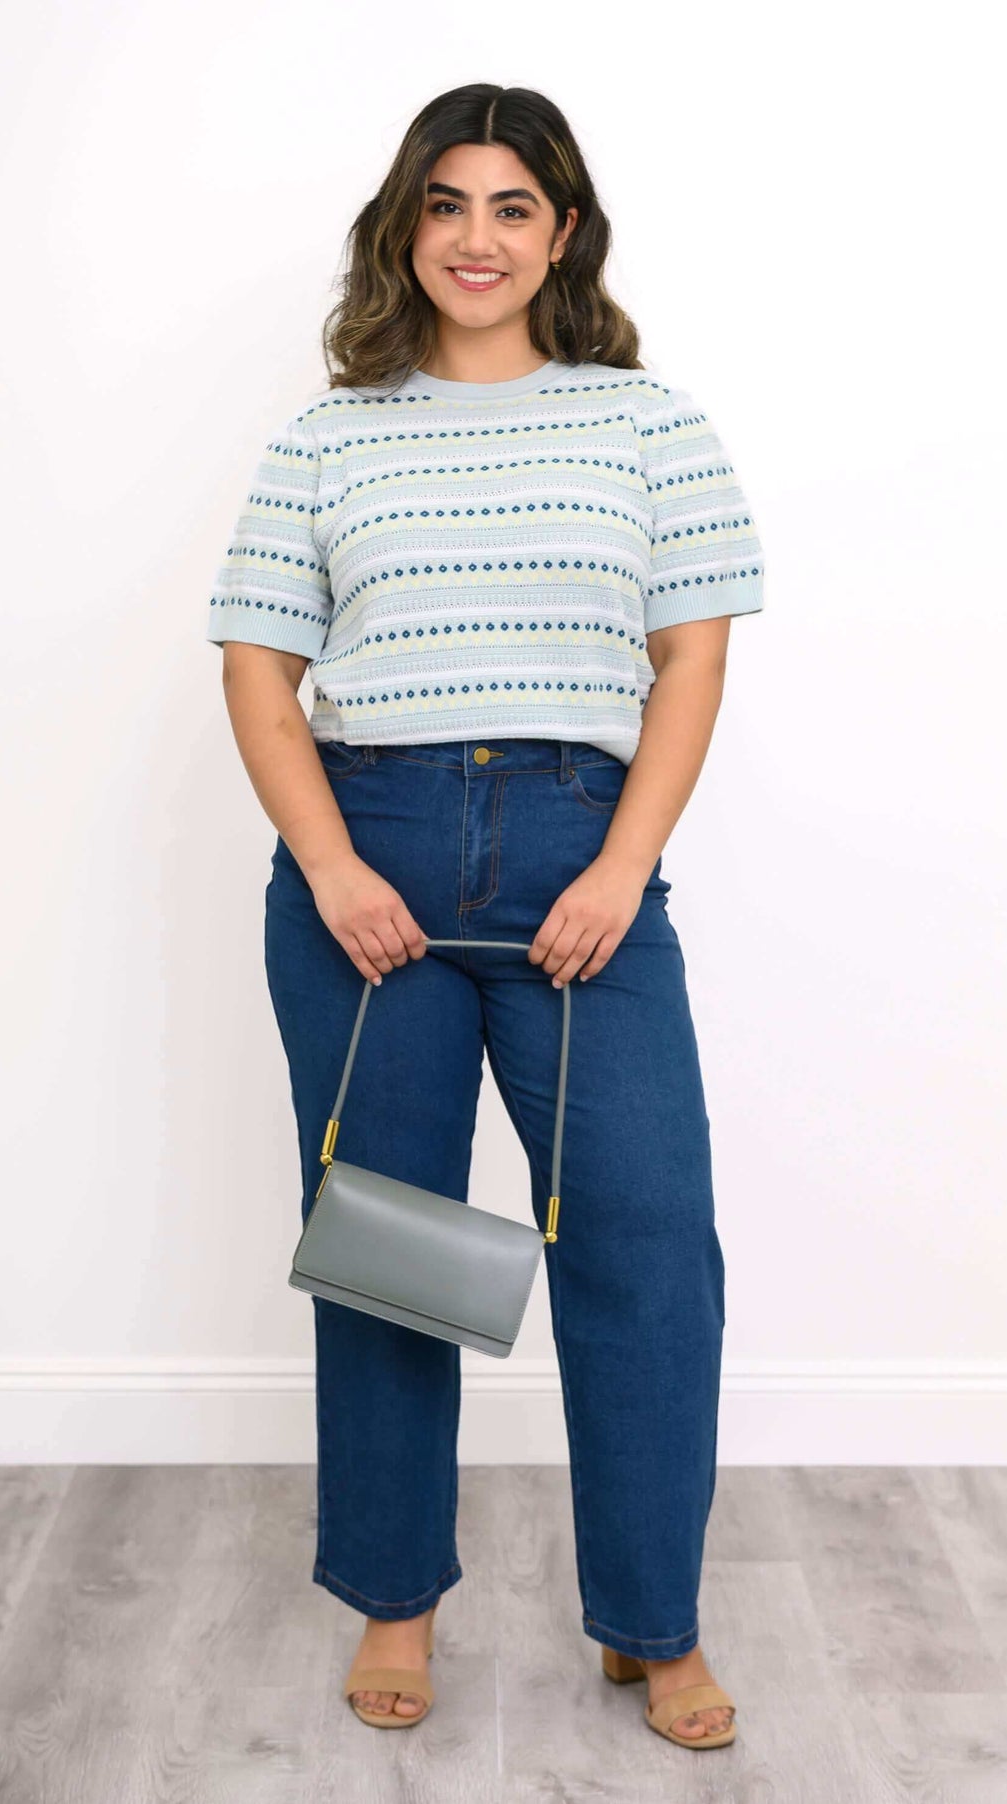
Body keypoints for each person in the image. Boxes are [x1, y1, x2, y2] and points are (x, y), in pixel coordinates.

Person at [204, 82, 764, 1754]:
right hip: (364, 850)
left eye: (514, 206)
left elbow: (695, 661)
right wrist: (329, 865)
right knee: (394, 1250)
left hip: (580, 854)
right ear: (407, 226)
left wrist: (616, 870)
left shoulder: (647, 422)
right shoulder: (330, 433)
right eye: (447, 204)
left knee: (649, 1245)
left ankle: (651, 1617)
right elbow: (256, 664)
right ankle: (395, 1599)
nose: (477, 237)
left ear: (563, 232)